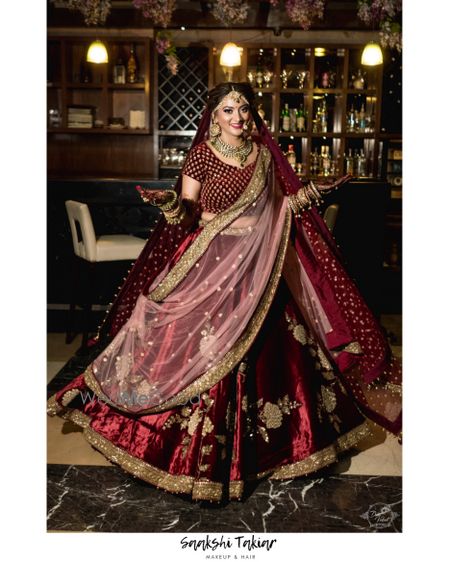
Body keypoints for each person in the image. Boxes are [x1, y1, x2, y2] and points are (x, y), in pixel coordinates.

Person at [47, 82, 401, 503]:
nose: (238, 116)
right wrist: (170, 205)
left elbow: (280, 209)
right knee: (189, 347)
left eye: (244, 108)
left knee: (279, 353)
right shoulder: (200, 155)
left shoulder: (264, 156)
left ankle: (286, 448)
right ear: (213, 116)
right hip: (210, 264)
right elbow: (187, 217)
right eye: (228, 109)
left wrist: (312, 193)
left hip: (259, 266)